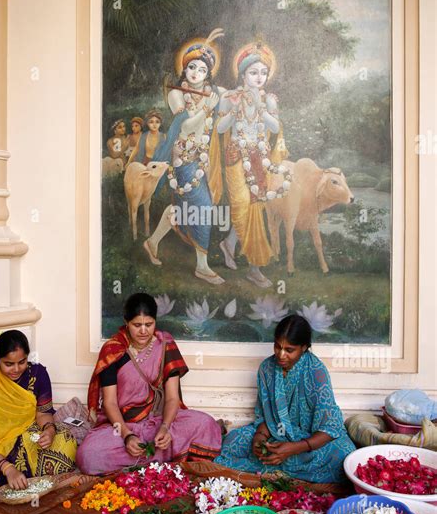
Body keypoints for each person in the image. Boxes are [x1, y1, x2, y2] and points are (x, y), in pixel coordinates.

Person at [77, 293, 222, 474]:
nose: (144, 331)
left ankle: (148, 457)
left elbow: (172, 398)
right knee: (88, 455)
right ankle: (166, 458)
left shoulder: (165, 344)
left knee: (206, 424)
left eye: (149, 324)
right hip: (122, 424)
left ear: (155, 321)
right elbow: (109, 403)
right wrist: (127, 436)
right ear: (126, 322)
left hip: (157, 420)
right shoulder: (113, 350)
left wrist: (165, 427)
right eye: (137, 325)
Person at [215, 315, 356, 483]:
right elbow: (266, 417)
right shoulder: (266, 368)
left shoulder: (316, 372)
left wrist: (294, 448)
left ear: (304, 347)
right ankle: (278, 466)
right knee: (233, 441)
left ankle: (274, 468)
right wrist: (259, 437)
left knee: (344, 455)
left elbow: (330, 427)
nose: (281, 355)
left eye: (289, 350)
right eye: (277, 346)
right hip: (277, 435)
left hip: (309, 441)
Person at [143, 29, 226, 285]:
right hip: (182, 161)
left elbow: (226, 104)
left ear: (208, 74)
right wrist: (207, 109)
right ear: (184, 68)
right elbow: (186, 127)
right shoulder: (176, 93)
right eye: (192, 67)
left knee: (181, 210)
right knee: (202, 207)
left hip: (201, 161)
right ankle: (202, 266)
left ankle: (152, 242)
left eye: (202, 69)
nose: (196, 73)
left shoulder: (211, 93)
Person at [0, 330, 77, 505]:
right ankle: (14, 476)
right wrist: (7, 468)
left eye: (22, 362)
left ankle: (21, 475)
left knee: (66, 441)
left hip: (26, 435)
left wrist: (49, 430)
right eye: (9, 364)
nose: (16, 369)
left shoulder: (37, 374)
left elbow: (43, 412)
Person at [217, 41, 289, 288]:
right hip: (236, 157)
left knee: (255, 210)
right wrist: (233, 110)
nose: (259, 77)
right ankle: (233, 247)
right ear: (243, 74)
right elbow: (220, 129)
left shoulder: (269, 99)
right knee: (242, 205)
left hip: (258, 157)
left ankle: (252, 266)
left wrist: (261, 107)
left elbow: (275, 128)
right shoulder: (229, 97)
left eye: (263, 73)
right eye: (253, 72)